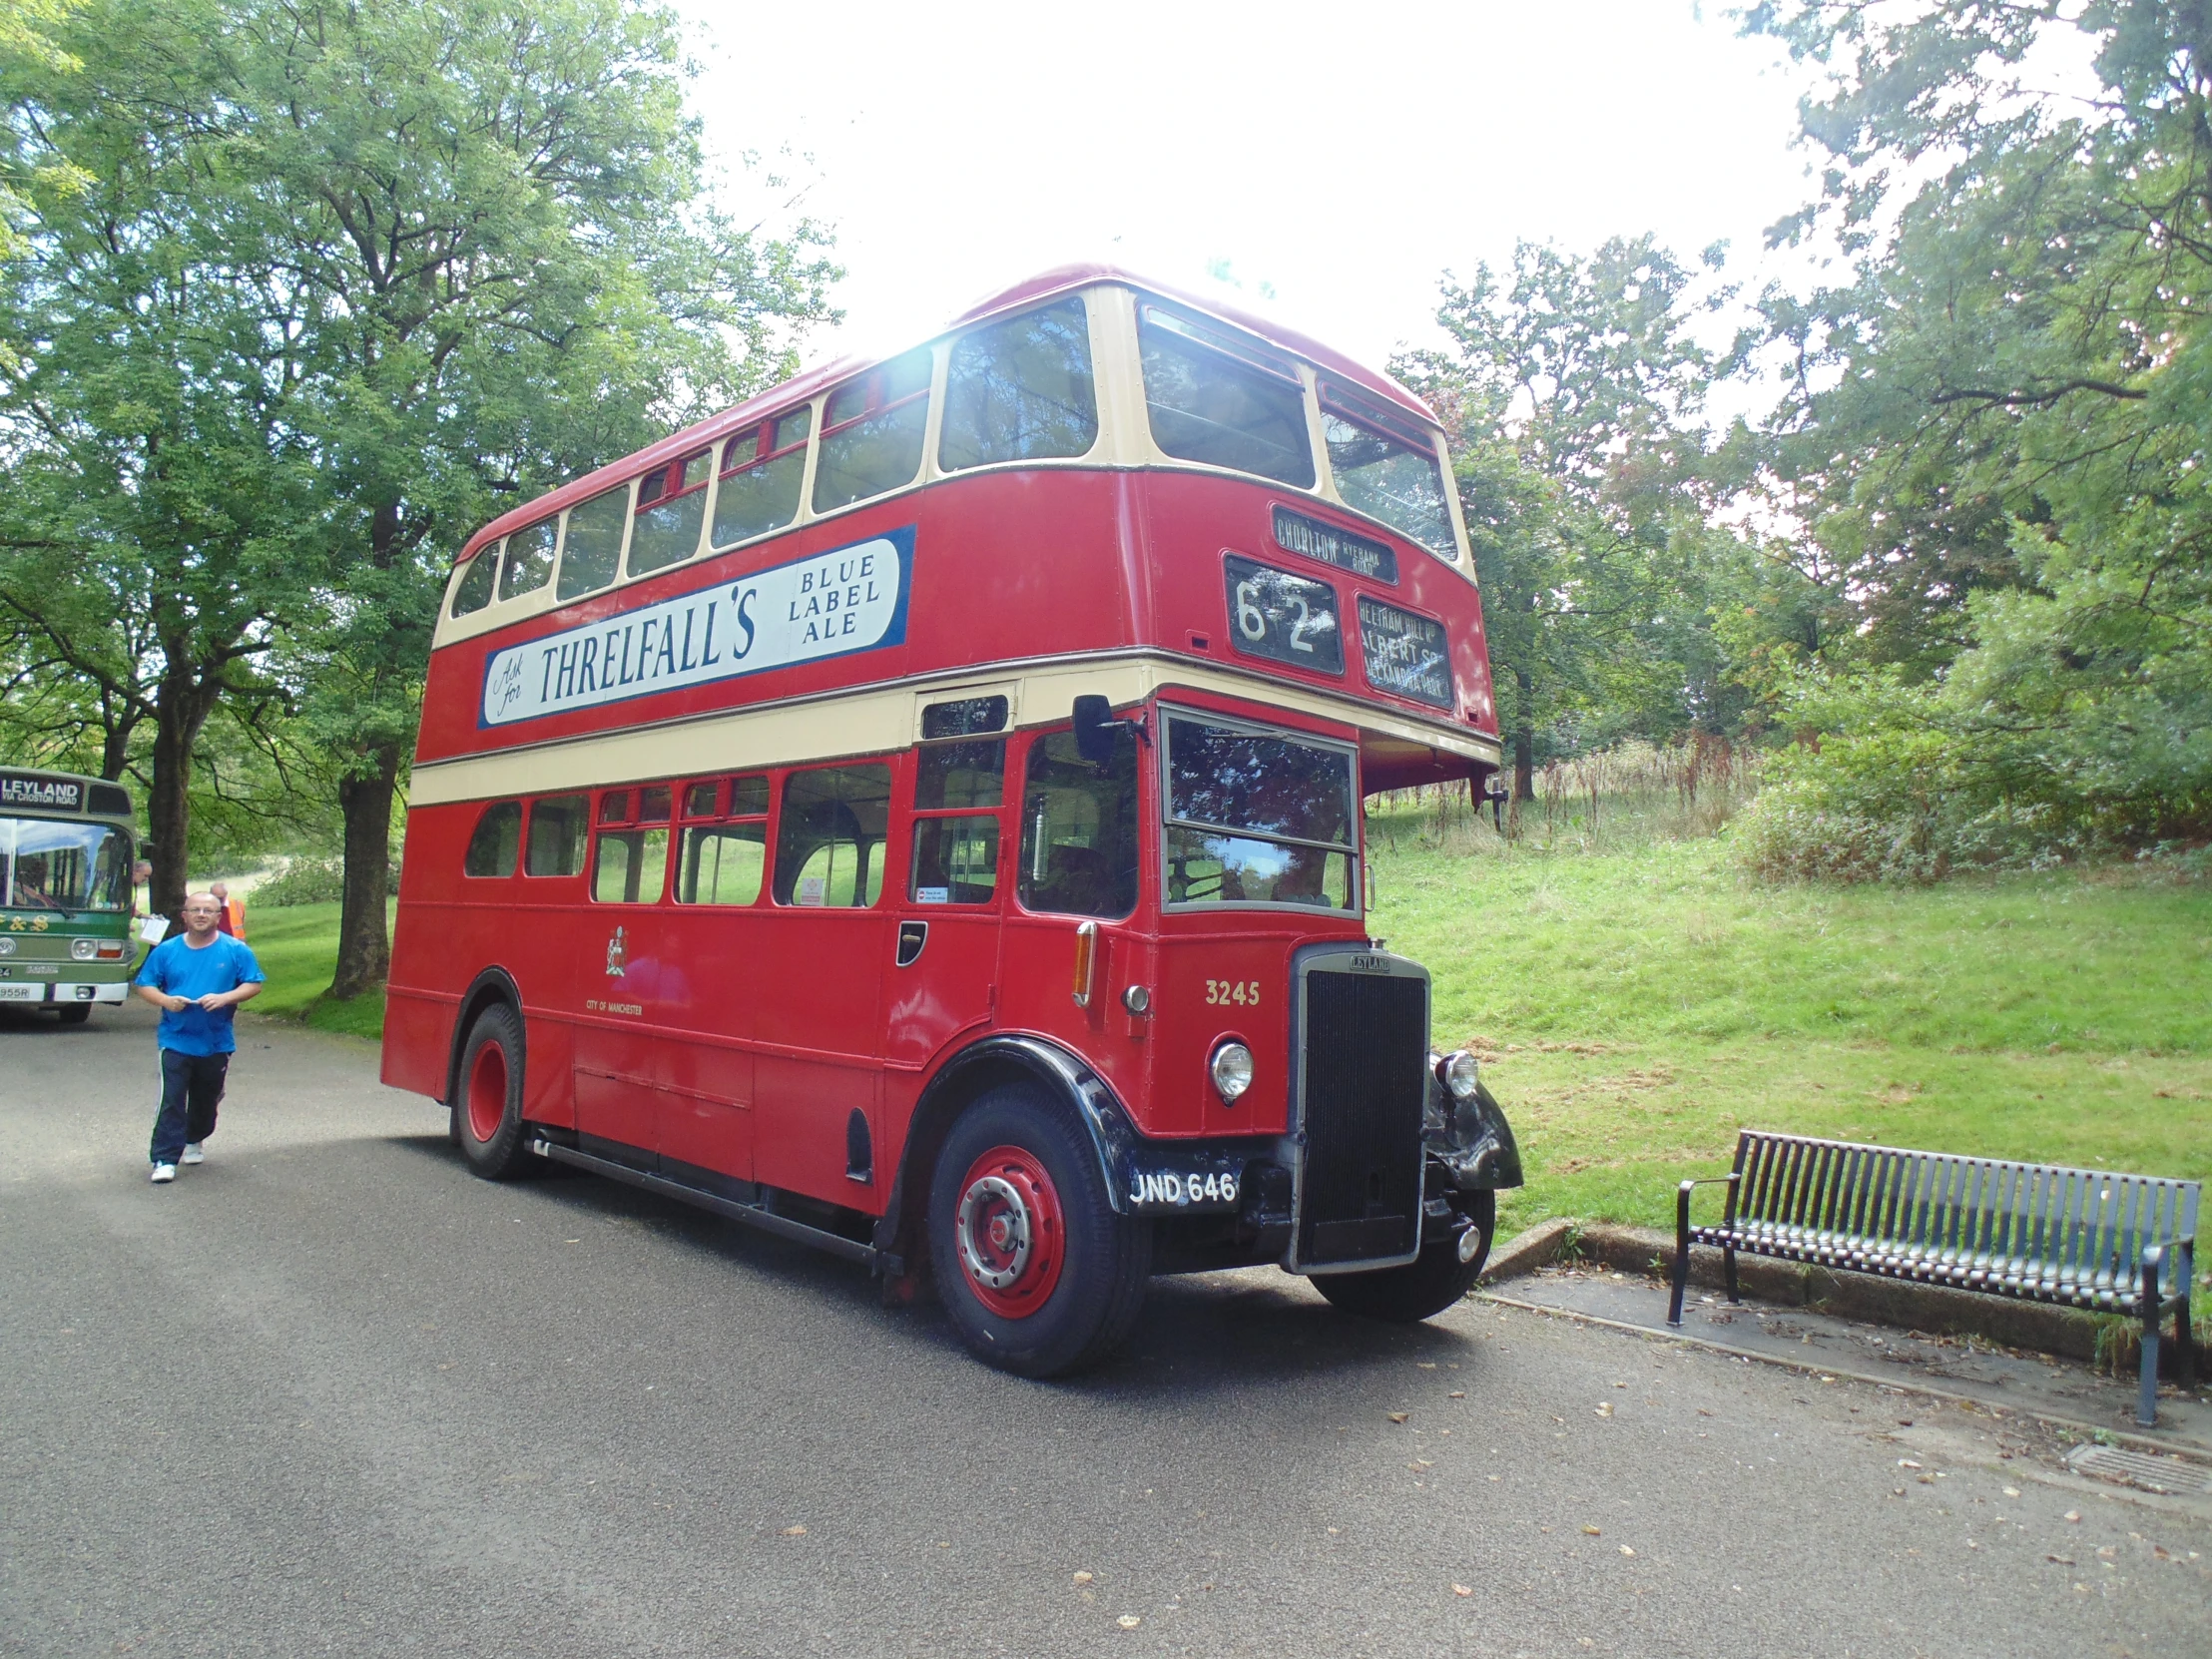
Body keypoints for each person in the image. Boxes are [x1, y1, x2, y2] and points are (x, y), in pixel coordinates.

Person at [134, 891, 264, 1184]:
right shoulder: (166, 951)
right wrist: (167, 1001)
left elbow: (254, 983)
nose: (201, 915)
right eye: (195, 910)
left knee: (206, 1098)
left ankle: (195, 1137)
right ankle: (165, 1158)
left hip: (216, 1039)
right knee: (172, 1097)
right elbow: (145, 986)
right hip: (175, 1038)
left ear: (218, 917)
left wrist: (225, 997)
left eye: (208, 910)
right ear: (185, 915)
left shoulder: (236, 950)